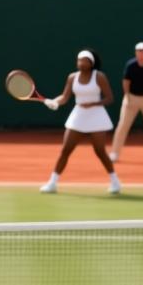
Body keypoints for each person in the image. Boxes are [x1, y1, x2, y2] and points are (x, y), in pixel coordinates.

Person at [40, 50, 122, 195]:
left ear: (91, 63)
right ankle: (52, 183)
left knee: (100, 151)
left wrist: (93, 104)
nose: (81, 63)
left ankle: (115, 182)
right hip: (78, 116)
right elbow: (64, 97)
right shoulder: (72, 77)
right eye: (79, 60)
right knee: (65, 150)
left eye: (84, 60)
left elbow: (109, 98)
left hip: (96, 116)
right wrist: (54, 102)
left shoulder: (99, 77)